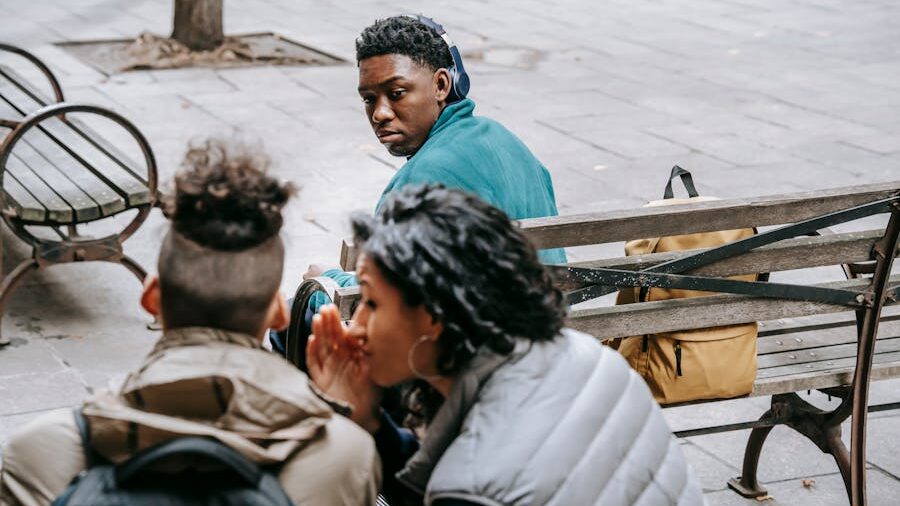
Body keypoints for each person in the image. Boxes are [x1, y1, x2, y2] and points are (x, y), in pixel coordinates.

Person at [0, 140, 380, 506]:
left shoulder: (42, 455)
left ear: (151, 297)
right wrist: (343, 416)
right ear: (278, 312)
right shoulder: (343, 458)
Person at [308, 184, 704, 506]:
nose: (356, 326)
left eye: (372, 303)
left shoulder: (476, 483)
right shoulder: (591, 358)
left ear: (433, 316)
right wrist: (370, 422)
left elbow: (477, 484)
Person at [275, 13, 566, 356]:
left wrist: (330, 280)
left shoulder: (418, 184)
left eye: (396, 93)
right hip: (546, 346)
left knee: (296, 315)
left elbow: (390, 302)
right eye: (369, 99)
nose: (380, 113)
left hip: (470, 359)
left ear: (442, 85)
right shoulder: (509, 144)